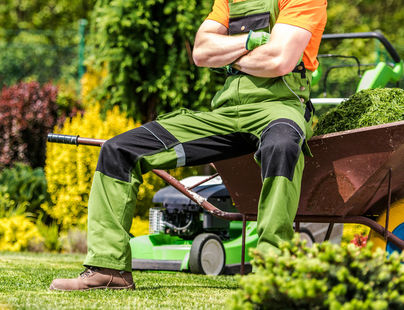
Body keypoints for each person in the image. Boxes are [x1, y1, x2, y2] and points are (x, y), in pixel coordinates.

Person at [50, 0, 327, 291]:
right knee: (119, 150)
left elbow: (278, 60)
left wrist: (228, 55)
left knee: (282, 145)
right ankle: (108, 269)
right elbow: (202, 51)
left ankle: (273, 269)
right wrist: (248, 42)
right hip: (225, 111)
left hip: (280, 107)